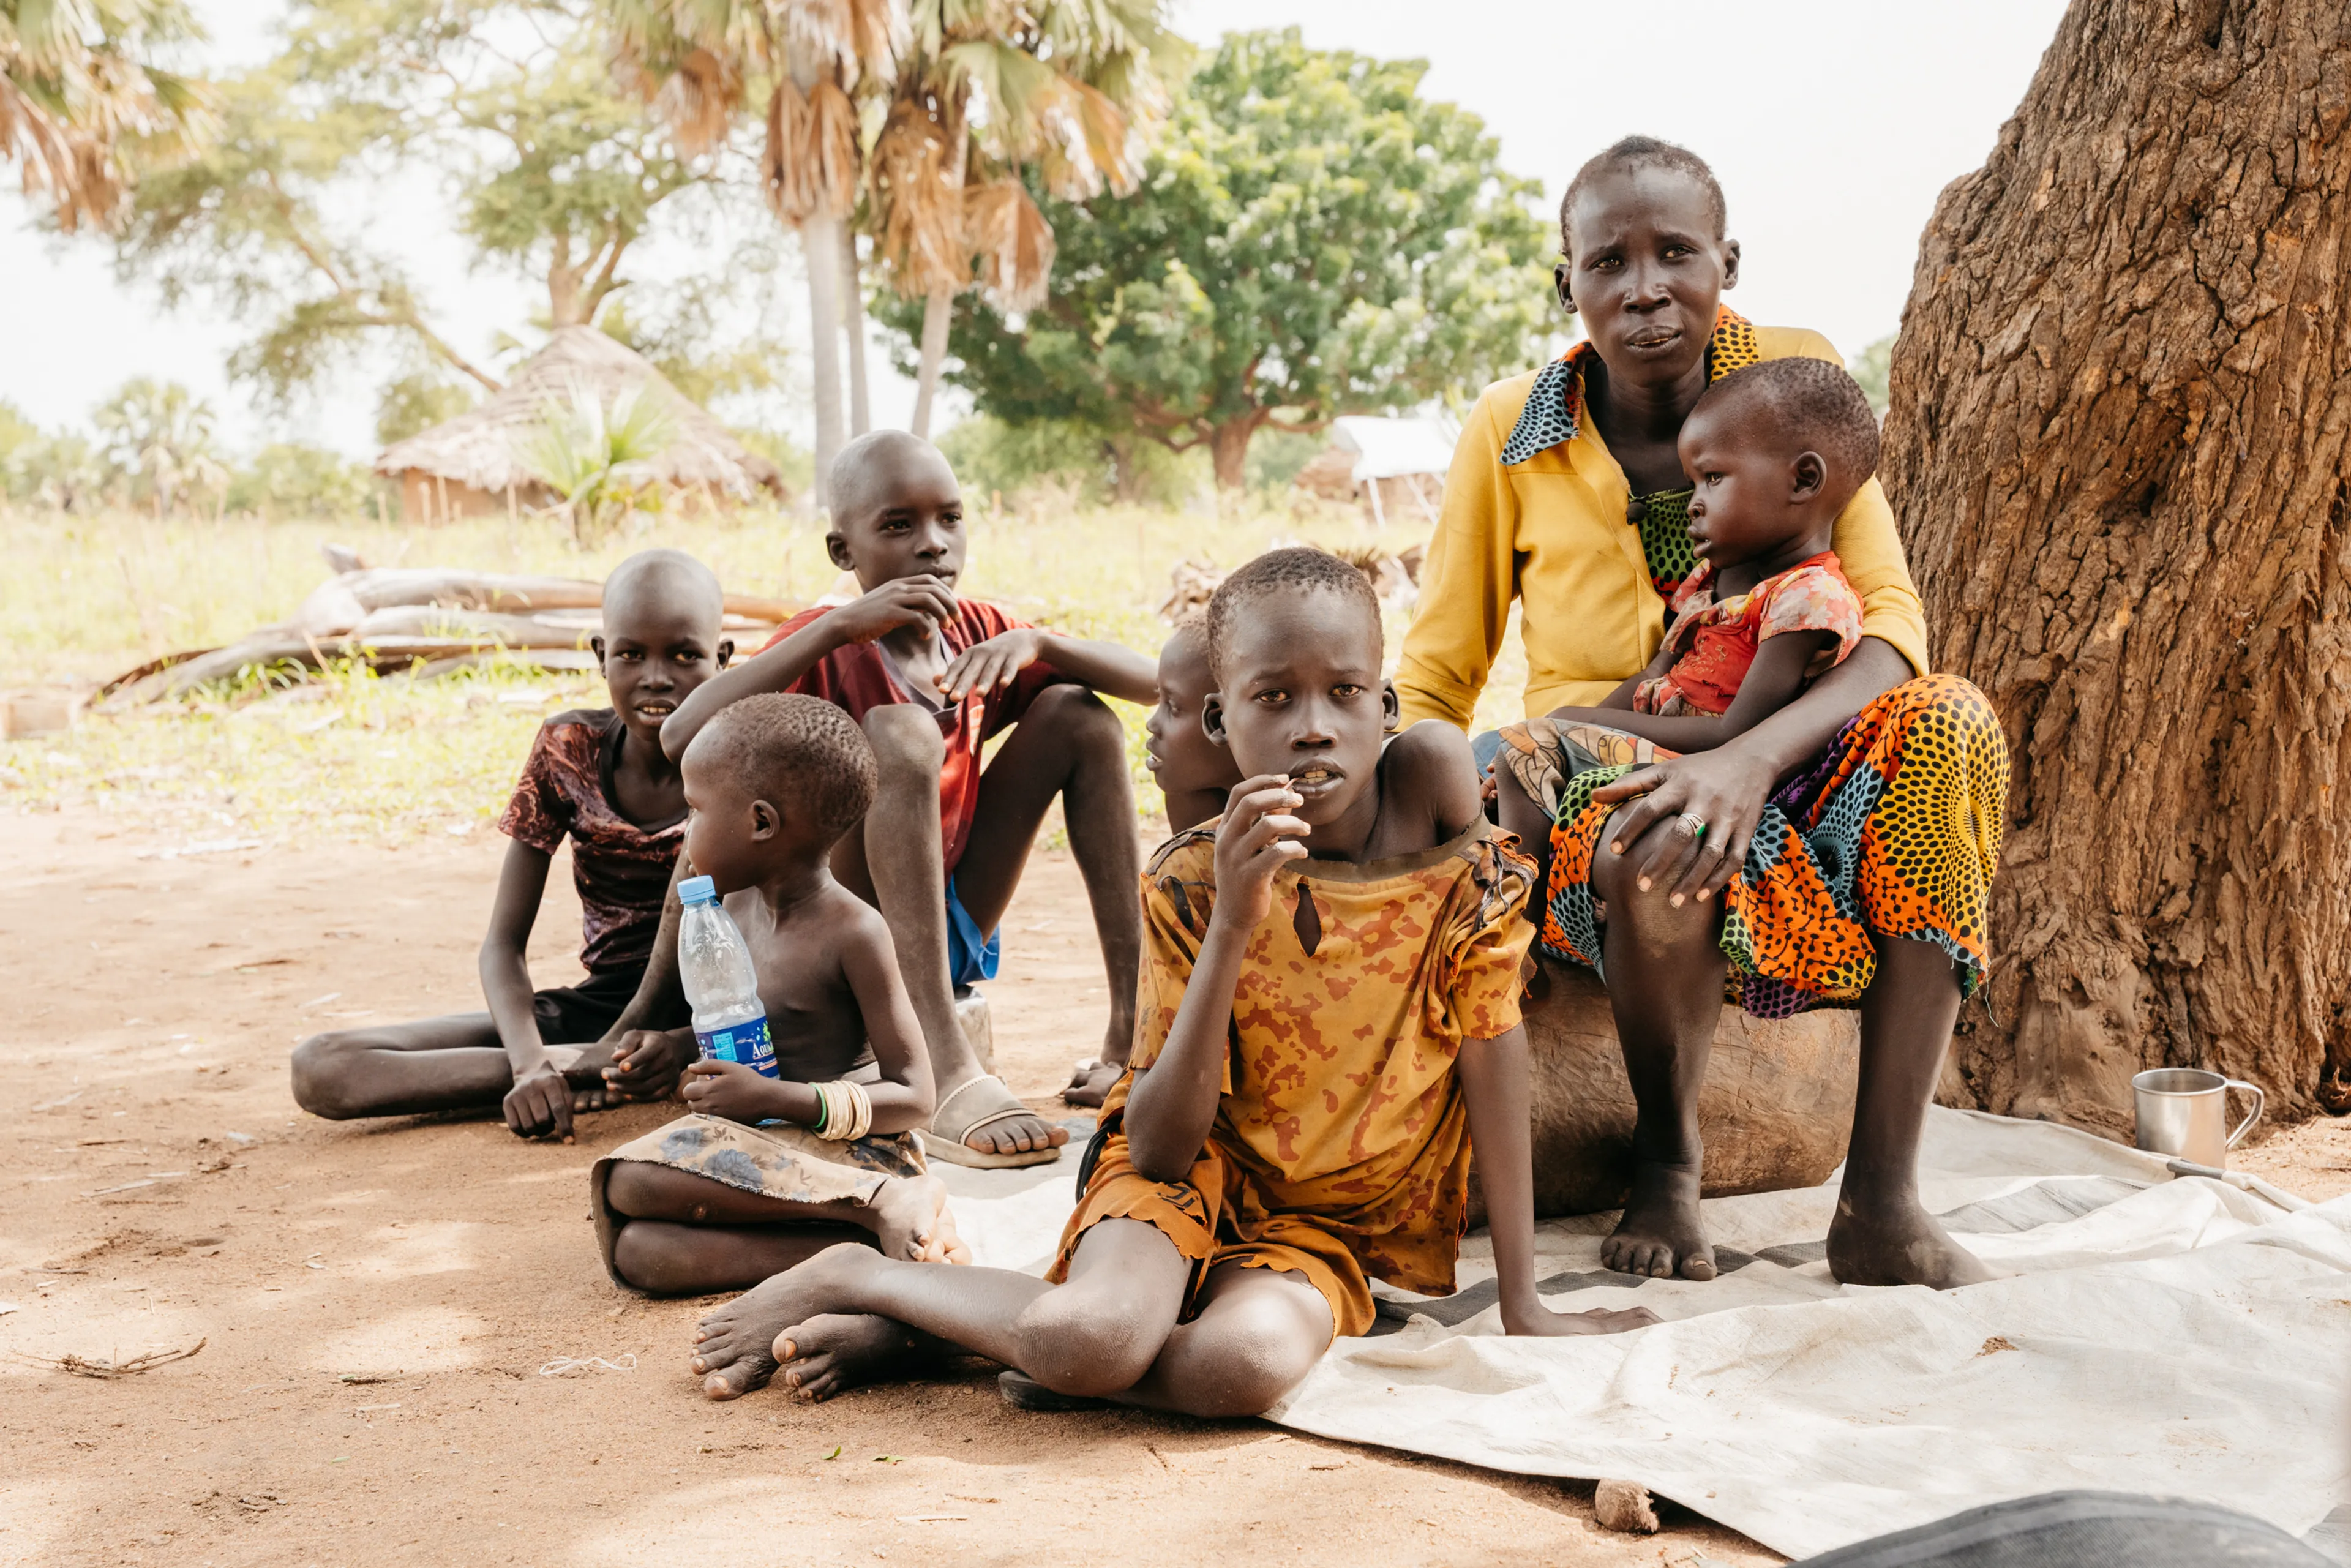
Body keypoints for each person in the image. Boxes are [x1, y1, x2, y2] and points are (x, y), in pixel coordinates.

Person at [680, 549, 1657, 1409]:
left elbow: (1492, 1040)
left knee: (1237, 1368)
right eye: (1274, 699)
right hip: (1183, 1178)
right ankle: (866, 1278)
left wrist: (1524, 1300)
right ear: (1222, 721)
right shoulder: (1194, 876)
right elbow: (1157, 1143)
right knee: (1089, 1339)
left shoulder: (1439, 825)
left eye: (1345, 693)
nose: (1314, 727)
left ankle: (945, 1332)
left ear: (1386, 706)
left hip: (1326, 1223)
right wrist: (1234, 921)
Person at [1398, 134, 2009, 1290]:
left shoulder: (1795, 382)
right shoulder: (1509, 430)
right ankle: (1666, 1166)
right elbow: (1438, 677)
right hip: (1605, 791)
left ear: (1727, 264)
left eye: (1675, 253)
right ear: (1566, 283)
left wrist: (1748, 757)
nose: (1645, 289)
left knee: (1955, 718)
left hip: (1800, 772)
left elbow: (1891, 629)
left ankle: (1882, 1200)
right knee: (1657, 829)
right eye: (1608, 263)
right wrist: (1420, 835)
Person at [657, 430, 1159, 1166]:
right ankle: (945, 1062)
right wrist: (835, 625)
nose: (932, 543)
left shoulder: (978, 631)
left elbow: (1160, 685)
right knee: (897, 731)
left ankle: (1131, 1033)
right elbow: (680, 736)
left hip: (950, 914)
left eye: (950, 518)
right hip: (851, 932)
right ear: (844, 551)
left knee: (1080, 715)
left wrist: (1044, 645)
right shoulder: (829, 641)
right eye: (898, 525)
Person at [289, 549, 730, 1141]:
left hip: (723, 1012)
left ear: (722, 659)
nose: (656, 676)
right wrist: (530, 1064)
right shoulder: (569, 748)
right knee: (323, 1065)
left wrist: (679, 1044)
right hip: (600, 1010)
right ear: (600, 655)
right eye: (631, 654)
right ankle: (595, 1067)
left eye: (684, 655)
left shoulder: (743, 758)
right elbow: (502, 946)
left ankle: (620, 1064)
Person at [592, 693, 965, 1295]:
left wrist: (776, 1098)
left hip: (846, 1152)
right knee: (640, 1249)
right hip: (767, 1149)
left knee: (631, 1181)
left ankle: (881, 1200)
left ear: (761, 823)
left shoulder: (854, 931)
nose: (686, 832)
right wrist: (676, 1045)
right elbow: (766, 1025)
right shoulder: (730, 909)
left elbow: (916, 1095)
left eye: (696, 810)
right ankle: (869, 1241)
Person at [1063, 615, 1243, 1108]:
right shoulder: (1194, 805)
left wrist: (1136, 1086)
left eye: (1173, 707)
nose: (1152, 723)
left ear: (1222, 721)